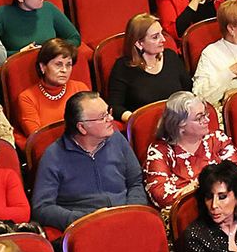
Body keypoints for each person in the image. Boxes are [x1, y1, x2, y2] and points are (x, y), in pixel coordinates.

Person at [32, 92, 149, 229]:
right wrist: (85, 219)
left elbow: (135, 181)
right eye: (102, 117)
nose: (110, 118)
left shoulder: (117, 139)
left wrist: (132, 210)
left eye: (108, 112)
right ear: (82, 127)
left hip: (127, 217)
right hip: (86, 226)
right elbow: (42, 208)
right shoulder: (53, 156)